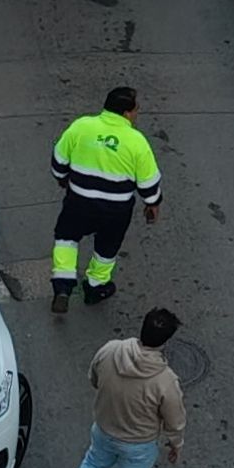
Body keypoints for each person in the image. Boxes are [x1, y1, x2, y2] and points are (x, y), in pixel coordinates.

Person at [51, 307, 186, 468]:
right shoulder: (165, 380)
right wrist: (176, 444)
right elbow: (174, 421)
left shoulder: (111, 349)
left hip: (104, 429)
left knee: (91, 467)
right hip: (139, 444)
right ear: (165, 342)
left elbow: (93, 377)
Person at [49, 86, 162, 315]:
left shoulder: (81, 127)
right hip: (115, 210)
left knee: (66, 239)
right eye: (136, 109)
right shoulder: (137, 141)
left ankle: (62, 287)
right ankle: (95, 287)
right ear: (127, 113)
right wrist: (152, 204)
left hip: (78, 202)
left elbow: (58, 162)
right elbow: (148, 185)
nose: (137, 114)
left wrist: (63, 179)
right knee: (106, 249)